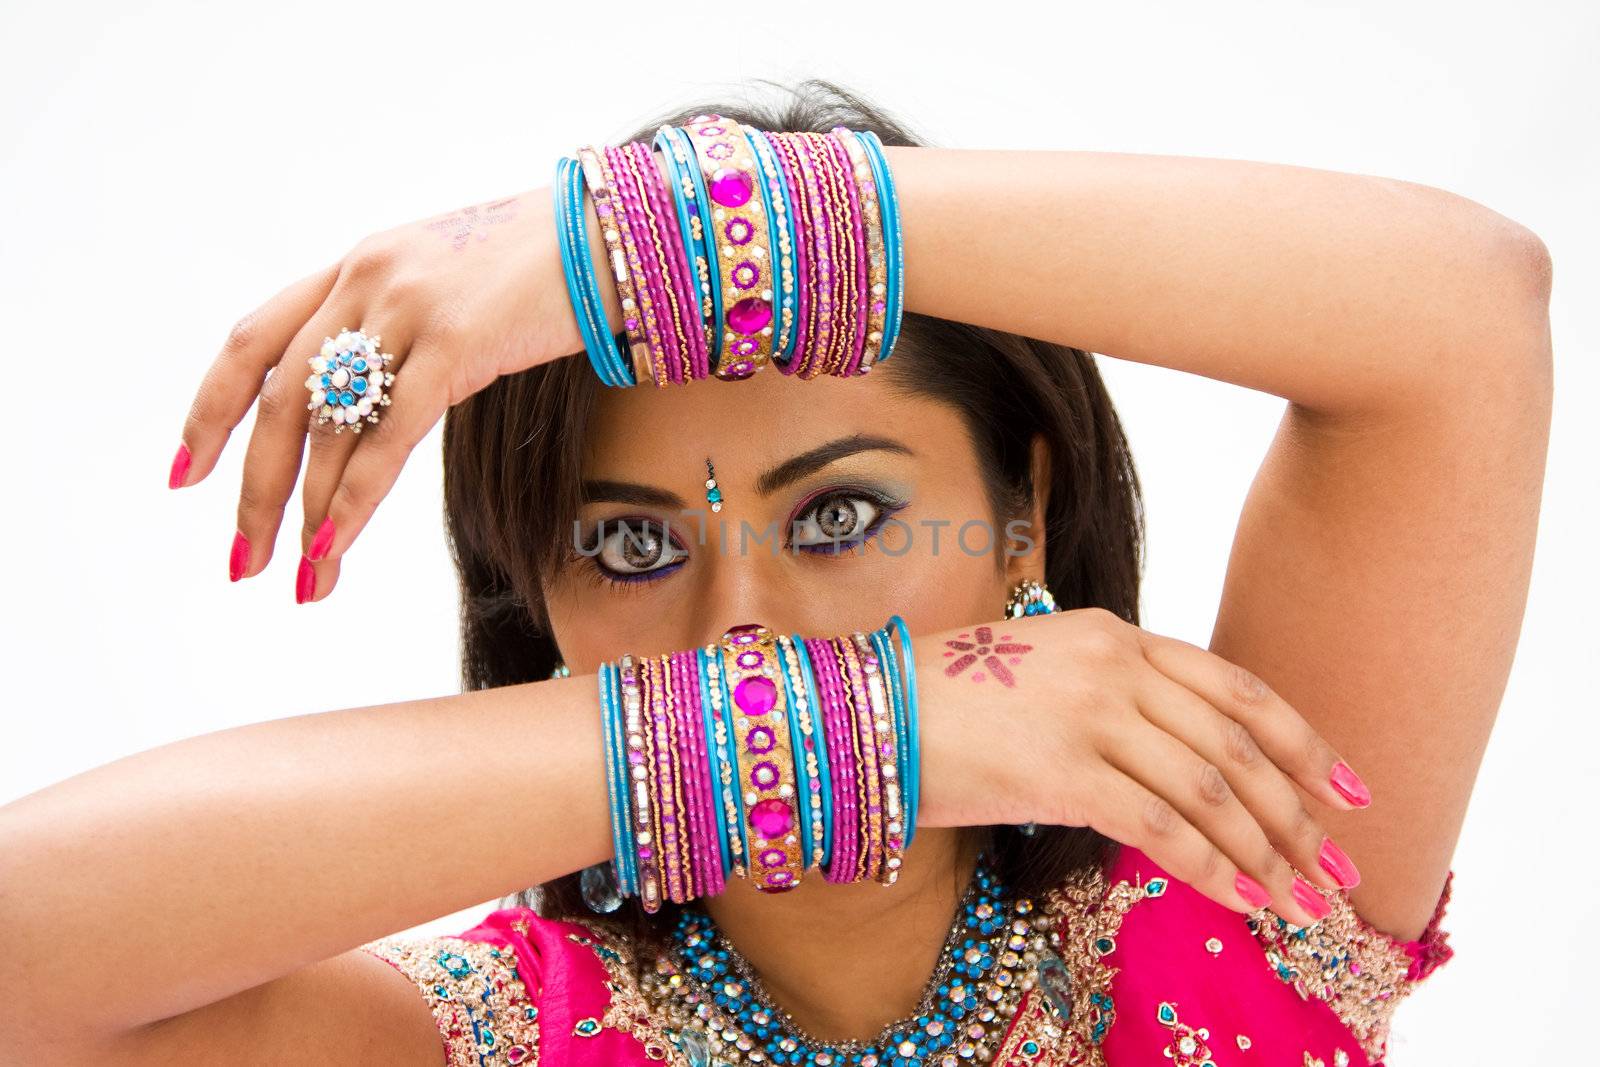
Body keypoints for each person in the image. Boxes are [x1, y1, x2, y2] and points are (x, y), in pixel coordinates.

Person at [0, 79, 1551, 1067]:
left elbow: (1463, 313)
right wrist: (859, 735)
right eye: (627, 544)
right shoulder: (492, 1043)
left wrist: (641, 237)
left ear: (1025, 512)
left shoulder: (1242, 899)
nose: (744, 624)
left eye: (836, 520)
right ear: (532, 605)